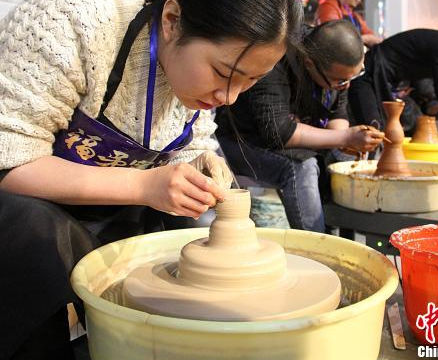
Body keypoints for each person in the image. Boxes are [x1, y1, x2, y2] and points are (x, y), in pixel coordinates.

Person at [0, 0, 302, 358]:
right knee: (36, 240)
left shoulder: (197, 68)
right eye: (223, 74)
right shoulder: (66, 24)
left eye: (251, 81)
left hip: (116, 208)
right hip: (28, 215)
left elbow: (190, 137)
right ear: (173, 20)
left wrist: (201, 163)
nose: (229, 97)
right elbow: (9, 159)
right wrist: (143, 186)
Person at [216, 20, 384, 233]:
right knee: (301, 167)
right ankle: (318, 247)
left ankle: (345, 240)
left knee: (344, 160)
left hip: (291, 134)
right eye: (340, 81)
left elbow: (337, 111)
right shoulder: (275, 56)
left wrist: (346, 143)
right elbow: (279, 132)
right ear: (309, 64)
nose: (346, 86)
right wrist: (345, 138)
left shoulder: (332, 63)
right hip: (241, 139)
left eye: (353, 77)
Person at [318, 0, 382, 48]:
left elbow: (370, 35)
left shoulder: (353, 14)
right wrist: (364, 39)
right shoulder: (328, 6)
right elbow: (334, 38)